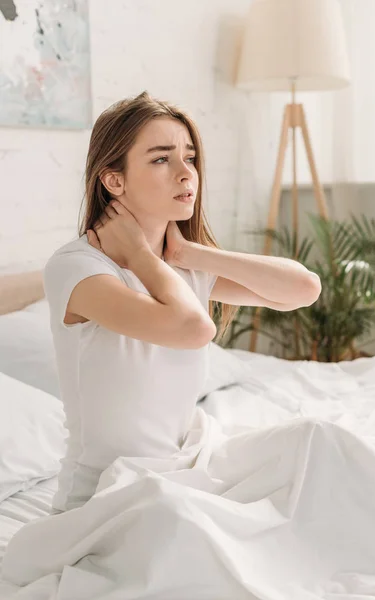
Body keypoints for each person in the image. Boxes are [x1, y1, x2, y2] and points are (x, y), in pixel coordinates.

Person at [43, 90, 321, 514]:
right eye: (161, 159)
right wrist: (139, 256)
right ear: (114, 180)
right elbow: (194, 330)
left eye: (189, 157)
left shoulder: (183, 266)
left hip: (184, 469)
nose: (186, 173)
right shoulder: (78, 269)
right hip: (111, 496)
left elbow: (304, 289)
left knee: (316, 445)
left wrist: (191, 255)